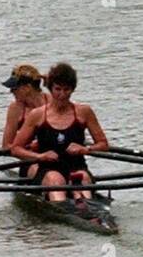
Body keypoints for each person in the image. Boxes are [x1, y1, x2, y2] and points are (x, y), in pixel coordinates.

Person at [10, 62, 109, 206]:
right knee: (56, 181)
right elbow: (16, 149)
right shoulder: (37, 115)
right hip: (48, 168)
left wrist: (86, 149)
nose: (62, 95)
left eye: (66, 90)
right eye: (57, 89)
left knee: (83, 179)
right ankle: (64, 208)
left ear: (73, 90)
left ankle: (90, 212)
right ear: (50, 88)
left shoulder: (84, 112)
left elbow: (103, 145)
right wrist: (39, 156)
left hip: (77, 166)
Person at [0, 65, 46, 150]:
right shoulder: (15, 109)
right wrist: (28, 148)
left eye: (14, 88)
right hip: (29, 156)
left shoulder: (52, 102)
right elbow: (6, 146)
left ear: (27, 88)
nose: (11, 92)